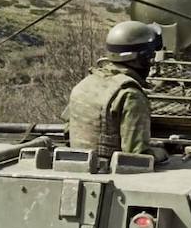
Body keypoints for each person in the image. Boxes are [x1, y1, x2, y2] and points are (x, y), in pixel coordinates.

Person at [65, 20, 162, 158]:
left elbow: (68, 132)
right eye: (150, 57)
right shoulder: (130, 94)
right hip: (112, 171)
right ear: (142, 58)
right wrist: (162, 153)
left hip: (77, 165)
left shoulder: (84, 84)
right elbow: (136, 155)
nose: (152, 63)